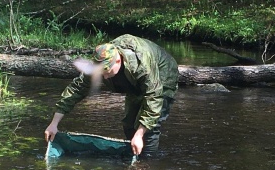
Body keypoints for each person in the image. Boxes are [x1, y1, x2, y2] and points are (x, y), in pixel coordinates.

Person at [44, 34, 179, 157]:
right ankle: (135, 152)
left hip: (163, 74)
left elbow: (153, 98)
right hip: (135, 83)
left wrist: (140, 134)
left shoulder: (141, 65)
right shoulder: (100, 63)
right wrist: (54, 124)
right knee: (129, 123)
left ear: (118, 61)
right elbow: (76, 90)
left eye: (107, 70)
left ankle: (147, 164)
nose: (104, 75)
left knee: (149, 128)